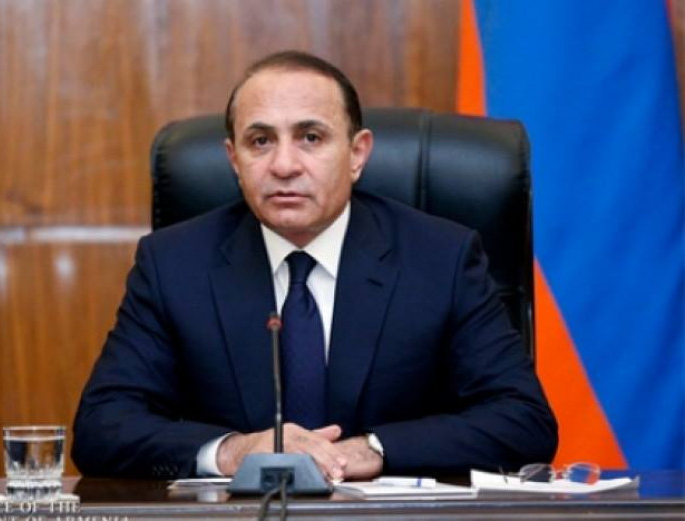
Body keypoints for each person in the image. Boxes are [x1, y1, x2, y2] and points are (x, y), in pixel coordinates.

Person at [72, 50, 557, 481]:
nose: (284, 165)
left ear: (357, 153)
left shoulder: (441, 258)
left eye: (310, 137)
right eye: (260, 141)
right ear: (234, 160)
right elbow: (102, 428)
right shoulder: (174, 264)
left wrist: (372, 450)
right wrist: (233, 451)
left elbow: (523, 421)